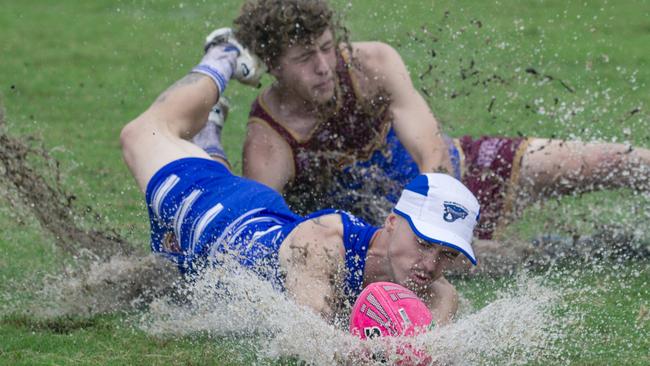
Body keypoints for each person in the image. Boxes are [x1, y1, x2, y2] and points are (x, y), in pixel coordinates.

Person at [195, 0, 650, 242]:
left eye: (327, 46)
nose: (323, 65)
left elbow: (432, 153)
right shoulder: (269, 141)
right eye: (304, 57)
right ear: (273, 64)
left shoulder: (371, 64)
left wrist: (447, 219)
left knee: (612, 160)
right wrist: (417, 245)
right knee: (522, 259)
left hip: (459, 175)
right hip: (394, 240)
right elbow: (270, 231)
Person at [120, 38, 481, 326]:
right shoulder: (322, 244)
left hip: (265, 217)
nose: (431, 265)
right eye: (422, 242)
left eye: (446, 254)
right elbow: (311, 335)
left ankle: (210, 133)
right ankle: (223, 55)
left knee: (173, 279)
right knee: (142, 133)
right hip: (214, 218)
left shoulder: (438, 294)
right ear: (391, 221)